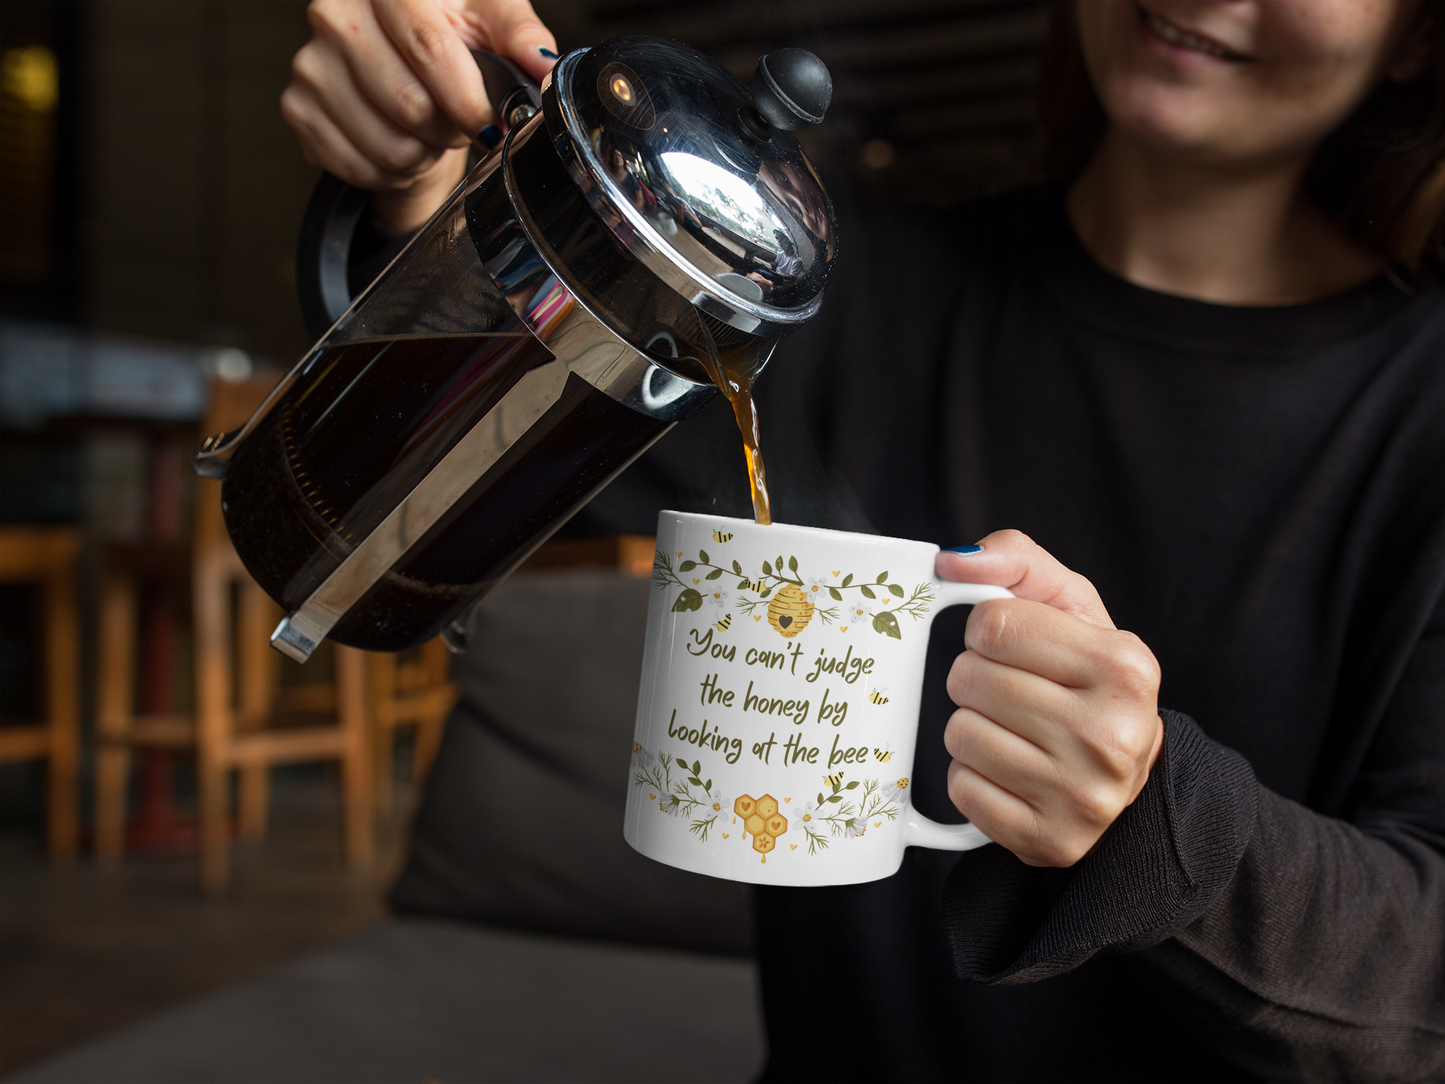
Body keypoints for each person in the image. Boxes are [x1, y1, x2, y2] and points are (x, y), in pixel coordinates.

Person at [281, 1, 1445, 1080]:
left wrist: (1157, 821)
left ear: (1415, 34)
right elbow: (434, 492)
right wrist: (432, 190)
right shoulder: (817, 298)